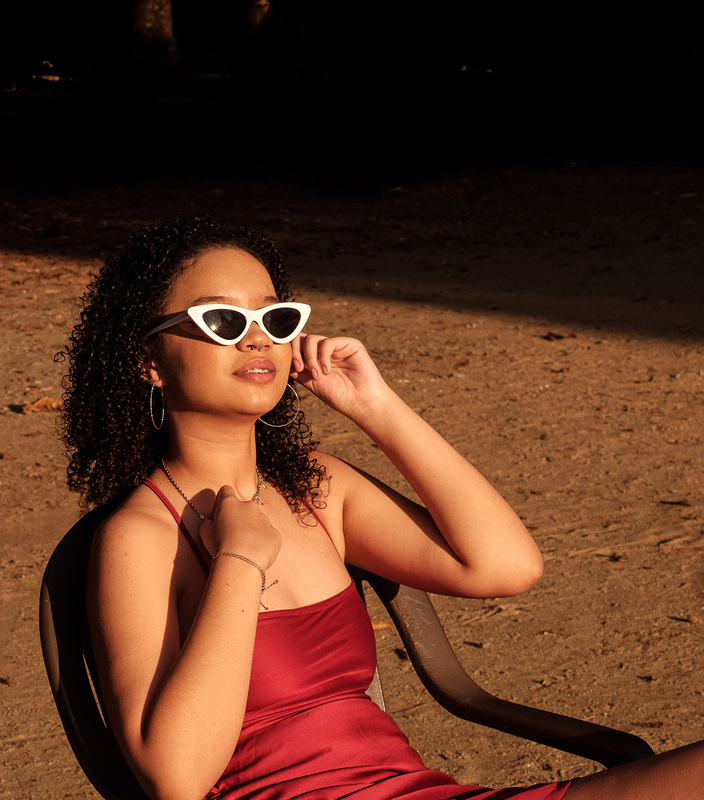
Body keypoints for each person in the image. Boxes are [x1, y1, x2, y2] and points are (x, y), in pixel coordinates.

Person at [57, 216, 704, 800]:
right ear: (149, 360)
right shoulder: (139, 536)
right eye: (222, 321)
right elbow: (175, 778)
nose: (257, 339)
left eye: (276, 320)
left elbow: (507, 566)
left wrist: (375, 405)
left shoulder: (316, 488)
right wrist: (240, 562)